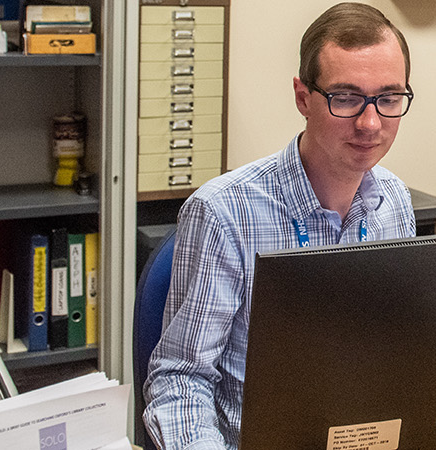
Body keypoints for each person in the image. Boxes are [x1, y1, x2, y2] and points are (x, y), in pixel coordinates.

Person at [143, 3, 417, 448]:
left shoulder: (393, 203)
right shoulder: (223, 212)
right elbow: (180, 384)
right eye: (346, 98)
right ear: (303, 98)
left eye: (388, 99)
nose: (371, 123)